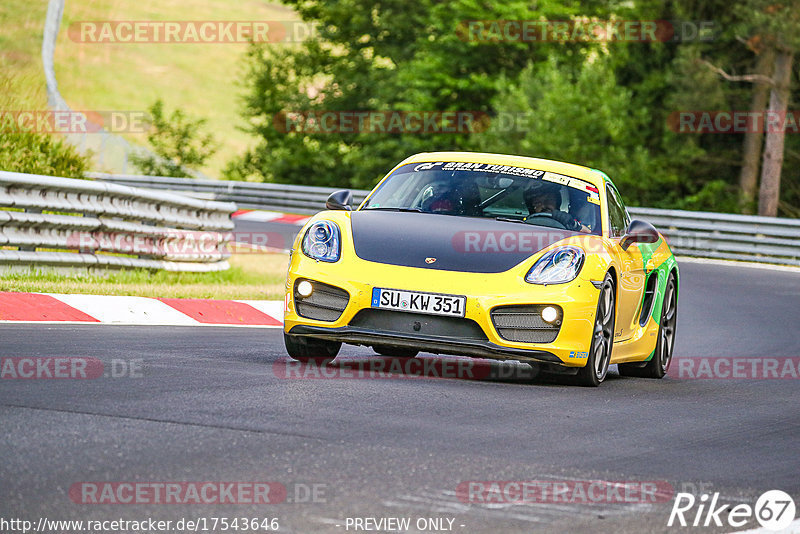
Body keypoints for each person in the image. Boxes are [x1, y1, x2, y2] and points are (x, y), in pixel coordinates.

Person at [524, 183, 590, 233]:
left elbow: (591, 234)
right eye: (538, 203)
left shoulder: (569, 223)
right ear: (532, 207)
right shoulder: (521, 225)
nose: (544, 206)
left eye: (549, 200)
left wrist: (573, 224)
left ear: (558, 202)